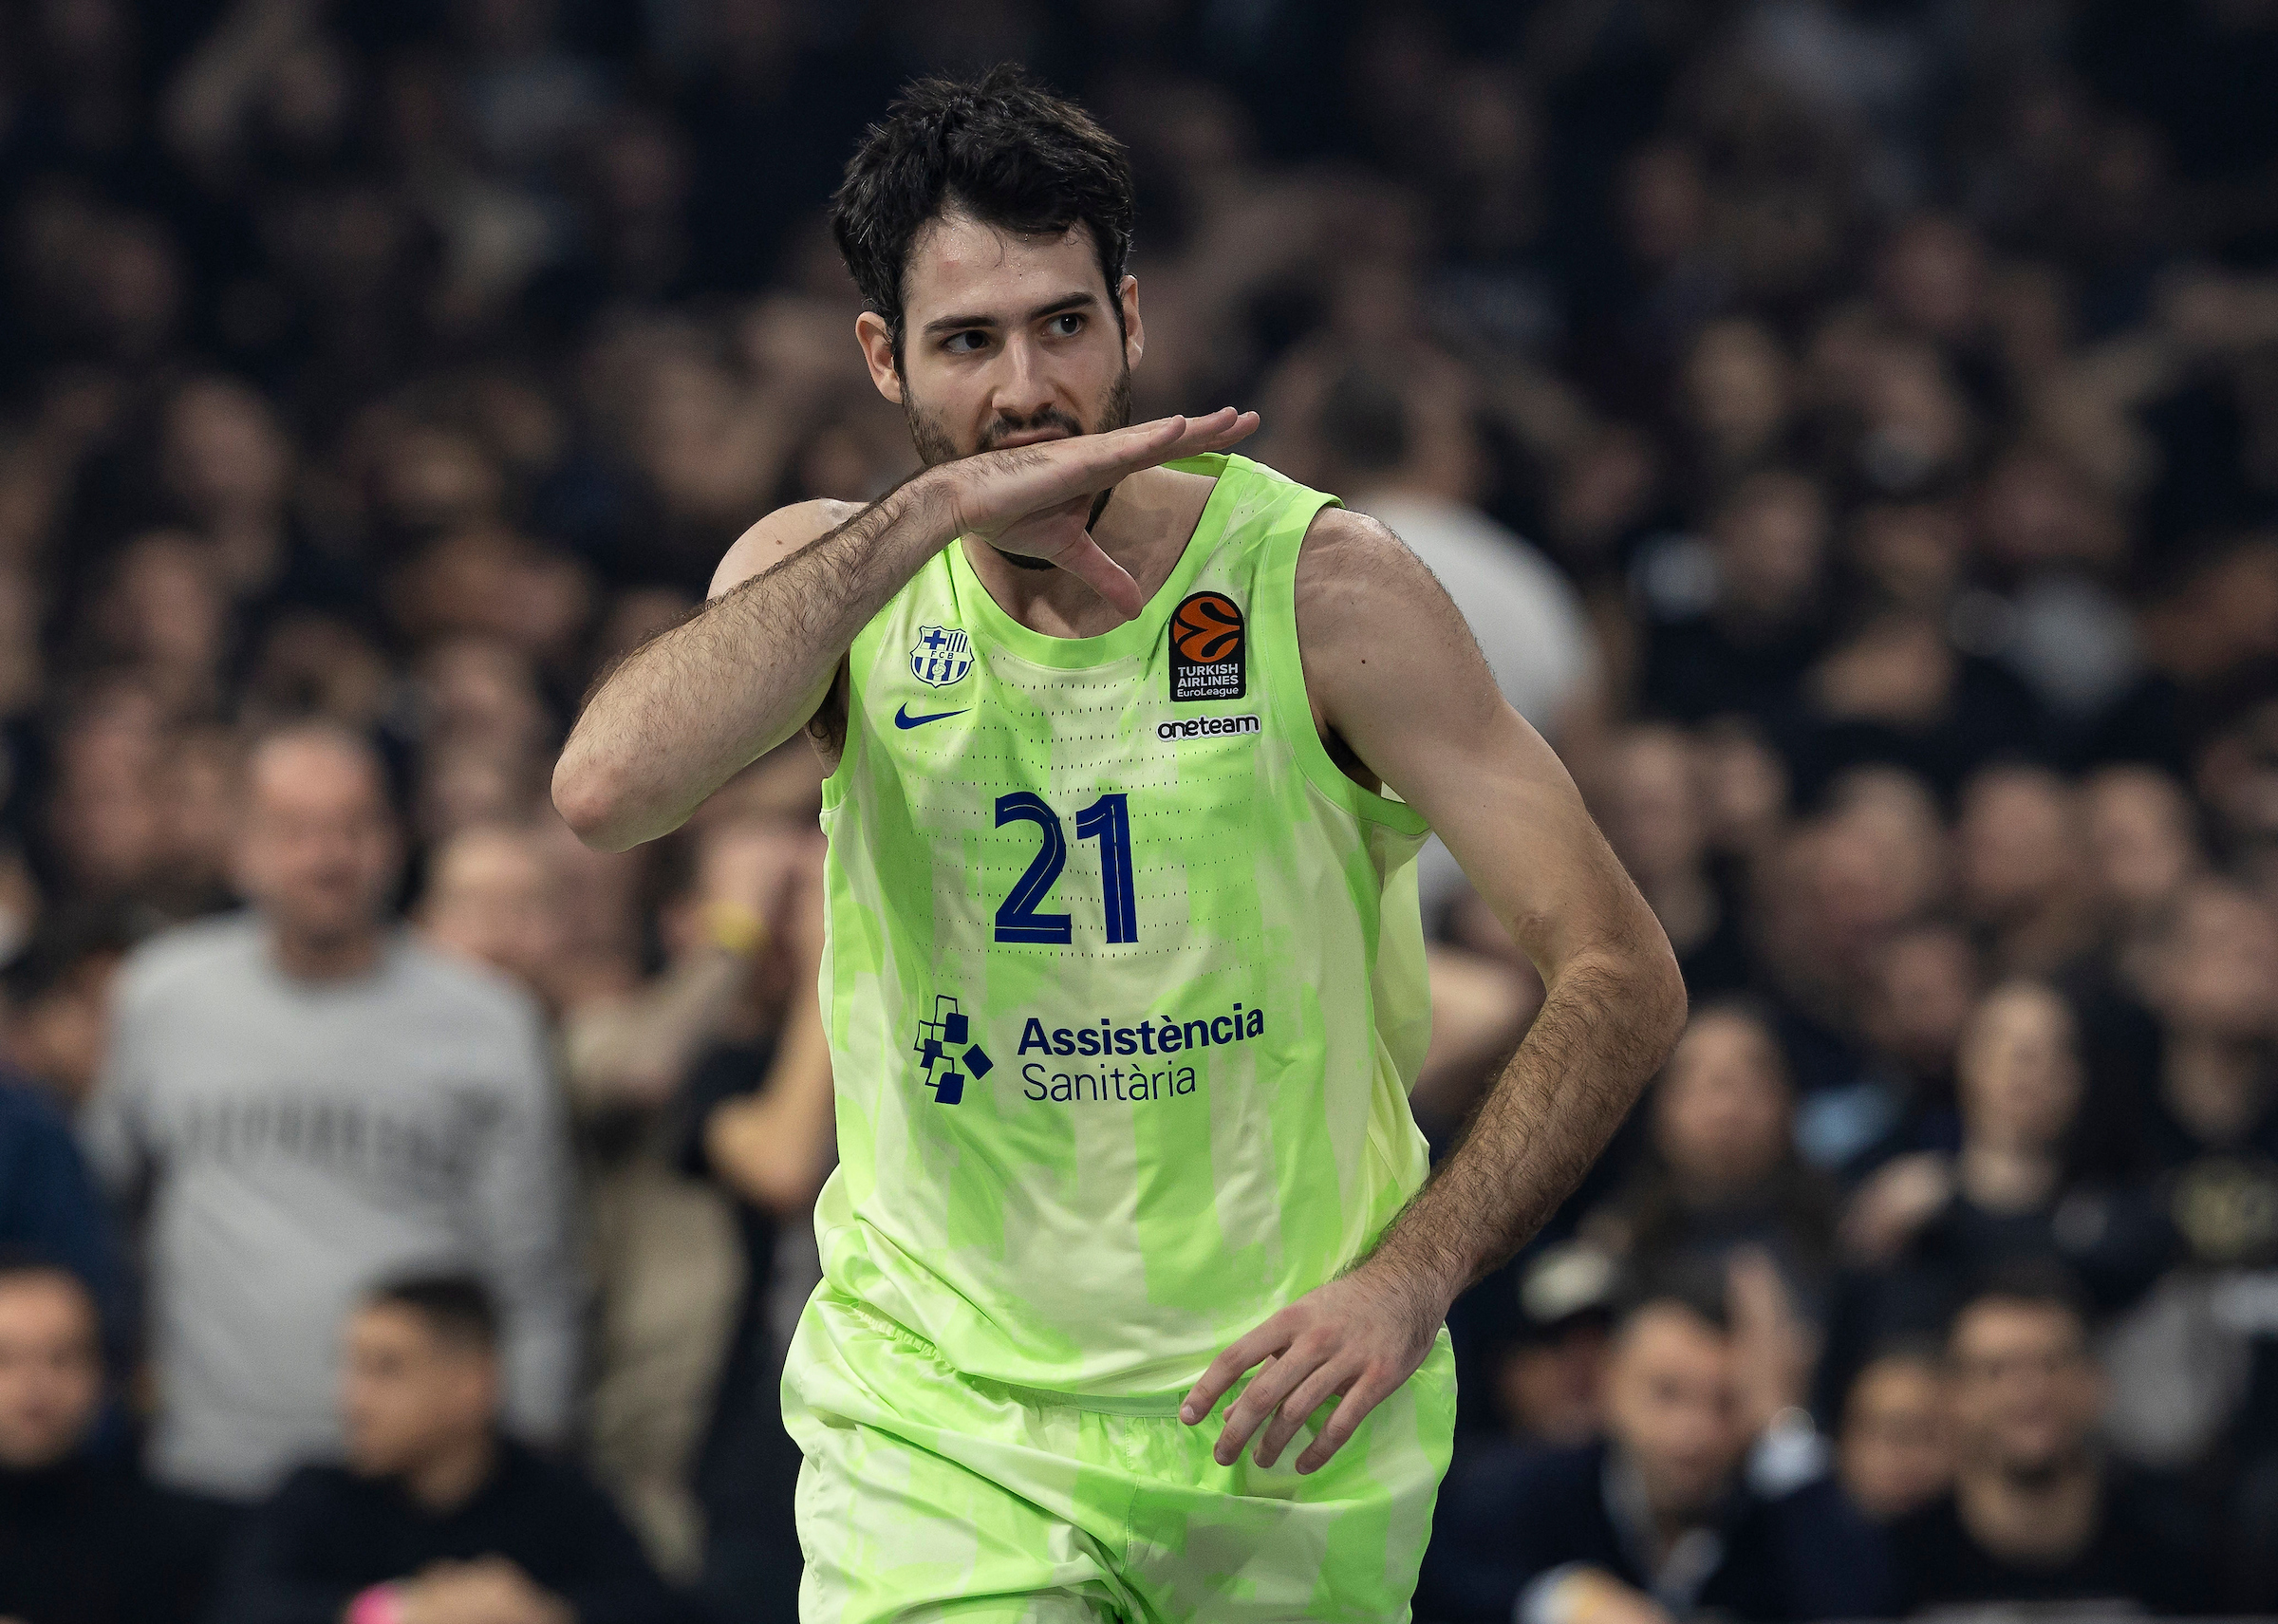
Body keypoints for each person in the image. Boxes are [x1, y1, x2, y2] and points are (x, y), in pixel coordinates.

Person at [552, 66, 1688, 1622]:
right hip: (942, 1423)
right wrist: (922, 515)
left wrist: (1413, 1279)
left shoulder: (1325, 593)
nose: (1026, 388)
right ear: (882, 357)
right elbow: (605, 788)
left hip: (1284, 1419)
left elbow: (1621, 971)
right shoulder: (836, 580)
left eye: (1062, 325)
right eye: (966, 342)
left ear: (1133, 322)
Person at [82, 722, 581, 1505]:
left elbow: (532, 1266)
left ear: (395, 839)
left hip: (417, 1476)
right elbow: (108, 1212)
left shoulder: (489, 1018)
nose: (326, 856)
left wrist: (524, 1453)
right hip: (204, 1465)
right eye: (293, 830)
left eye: (353, 826)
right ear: (240, 844)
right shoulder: (158, 996)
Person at [1419, 1271, 1896, 1624]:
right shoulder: (1524, 1491)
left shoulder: (1782, 1509)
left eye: (1726, 1402)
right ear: (1609, 1384)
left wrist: (1782, 1429)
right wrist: (1556, 1598)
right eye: (1666, 1394)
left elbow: (1861, 1600)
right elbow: (1433, 1581)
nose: (1694, 1431)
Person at [216, 1275, 683, 1624]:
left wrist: (540, 1612)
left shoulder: (560, 1495)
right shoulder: (319, 1493)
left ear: (472, 1384)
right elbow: (239, 1605)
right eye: (351, 1367)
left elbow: (654, 1606)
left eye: (387, 1369)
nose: (353, 1399)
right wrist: (397, 1609)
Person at [1892, 1264, 2213, 1615]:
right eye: (1996, 1370)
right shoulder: (1894, 1562)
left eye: (2053, 1363)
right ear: (1953, 1395)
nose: (2029, 1392)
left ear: (2096, 1383)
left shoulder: (2178, 1547)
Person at [0, 1256, 218, 1624]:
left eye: (62, 1358)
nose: (36, 1386)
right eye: (6, 1359)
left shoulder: (167, 1540)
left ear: (102, 1374)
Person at [1836, 1344, 1951, 1522]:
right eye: (1892, 1433)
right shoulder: (1787, 1528)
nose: (1905, 1457)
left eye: (1926, 1435)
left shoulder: (1978, 1534)